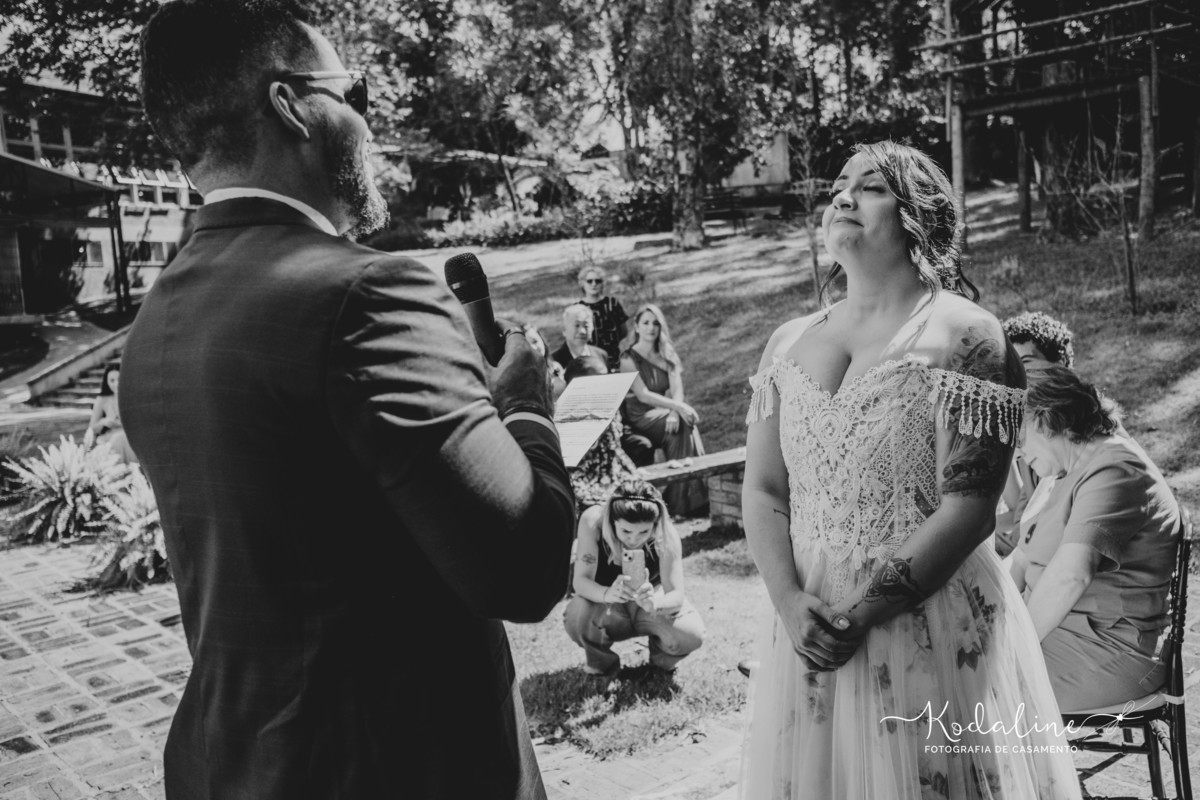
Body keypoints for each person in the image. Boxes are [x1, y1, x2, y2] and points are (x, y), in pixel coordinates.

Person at [123, 3, 576, 799]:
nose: (364, 119)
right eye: (350, 90)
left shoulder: (160, 317)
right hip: (397, 767)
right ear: (292, 104)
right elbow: (524, 568)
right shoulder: (369, 293)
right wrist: (526, 406)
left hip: (236, 764)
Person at [740, 141, 1080, 799]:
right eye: (838, 185)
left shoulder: (967, 336)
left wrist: (864, 615)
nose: (842, 196)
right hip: (806, 618)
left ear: (918, 215)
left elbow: (969, 508)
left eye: (869, 186)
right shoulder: (786, 341)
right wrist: (788, 602)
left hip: (926, 621)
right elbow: (764, 489)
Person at [1009, 364, 1179, 712]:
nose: (1016, 452)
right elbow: (1024, 559)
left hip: (1107, 650)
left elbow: (1072, 575)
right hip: (1070, 635)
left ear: (1046, 418)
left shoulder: (1115, 468)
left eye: (1019, 437)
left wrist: (1013, 644)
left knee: (968, 685)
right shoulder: (1068, 471)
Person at [563, 479, 704, 676]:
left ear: (655, 524)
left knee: (691, 633)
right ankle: (601, 664)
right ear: (612, 521)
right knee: (577, 615)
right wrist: (607, 593)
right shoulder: (592, 521)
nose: (634, 539)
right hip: (606, 605)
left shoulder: (666, 533)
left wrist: (655, 604)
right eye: (626, 531)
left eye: (644, 532)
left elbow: (676, 595)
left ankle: (660, 663)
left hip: (649, 601)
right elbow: (580, 582)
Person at [994, 311, 1076, 556]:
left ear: (1059, 368)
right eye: (1012, 369)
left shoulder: (1074, 444)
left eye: (1027, 364)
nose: (1018, 380)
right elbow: (1020, 521)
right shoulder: (1024, 442)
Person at [619, 304, 707, 516]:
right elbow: (642, 394)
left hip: (664, 411)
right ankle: (688, 500)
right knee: (683, 423)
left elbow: (678, 390)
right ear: (637, 327)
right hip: (639, 414)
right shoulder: (628, 358)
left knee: (684, 426)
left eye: (656, 323)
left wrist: (676, 412)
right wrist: (676, 408)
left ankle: (686, 501)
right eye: (646, 323)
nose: (651, 328)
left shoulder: (668, 353)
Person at [563, 354, 642, 509]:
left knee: (639, 496)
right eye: (600, 377)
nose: (607, 381)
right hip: (581, 474)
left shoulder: (608, 404)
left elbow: (614, 447)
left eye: (607, 374)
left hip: (614, 468)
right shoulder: (568, 413)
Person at [576, 266, 628, 370]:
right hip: (589, 359)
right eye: (589, 281)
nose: (594, 284)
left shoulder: (612, 304)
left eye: (598, 281)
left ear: (603, 283)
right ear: (582, 283)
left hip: (613, 357)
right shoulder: (577, 308)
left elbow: (623, 331)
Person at [84, 364, 137, 463]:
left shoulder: (133, 397)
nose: (116, 384)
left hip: (130, 438)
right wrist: (104, 422)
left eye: (119, 379)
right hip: (109, 437)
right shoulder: (102, 399)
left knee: (119, 439)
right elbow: (91, 430)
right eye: (112, 381)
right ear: (106, 382)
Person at [551, 303, 607, 372]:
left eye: (586, 326)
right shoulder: (553, 360)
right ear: (564, 329)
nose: (582, 331)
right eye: (577, 325)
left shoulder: (601, 355)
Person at [522, 322, 567, 400]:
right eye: (527, 345)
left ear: (542, 341)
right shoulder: (521, 378)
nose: (533, 347)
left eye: (535, 341)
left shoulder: (555, 367)